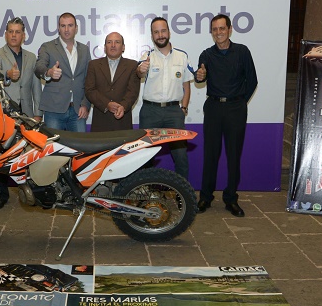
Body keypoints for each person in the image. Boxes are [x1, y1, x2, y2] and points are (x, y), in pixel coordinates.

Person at [194, 14, 258, 217]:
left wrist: (239, 102)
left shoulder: (242, 51)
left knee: (233, 155)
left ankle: (231, 198)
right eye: (214, 29)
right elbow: (200, 76)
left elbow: (252, 80)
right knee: (210, 155)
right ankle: (205, 197)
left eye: (222, 28)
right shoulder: (206, 54)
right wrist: (199, 76)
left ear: (230, 30)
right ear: (211, 32)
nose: (218, 32)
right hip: (213, 108)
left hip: (235, 109)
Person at [0, 16, 42, 208]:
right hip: (5, 113)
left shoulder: (31, 57)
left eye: (17, 32)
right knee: (2, 154)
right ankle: (1, 195)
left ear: (23, 35)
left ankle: (29, 191)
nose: (14, 35)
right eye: (10, 31)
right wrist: (8, 75)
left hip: (26, 115)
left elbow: (36, 87)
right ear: (5, 34)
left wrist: (38, 113)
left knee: (26, 154)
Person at [136, 17, 193, 178]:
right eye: (156, 32)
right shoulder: (147, 56)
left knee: (180, 156)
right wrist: (141, 70)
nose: (160, 35)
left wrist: (183, 108)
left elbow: (186, 86)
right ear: (152, 35)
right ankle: (146, 190)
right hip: (150, 112)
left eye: (163, 31)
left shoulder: (182, 56)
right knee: (145, 156)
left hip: (174, 112)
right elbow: (139, 73)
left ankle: (182, 190)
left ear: (169, 32)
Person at [34, 12, 91, 132]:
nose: (66, 29)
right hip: (53, 110)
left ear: (76, 28)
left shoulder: (84, 50)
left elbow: (89, 80)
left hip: (78, 111)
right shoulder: (48, 47)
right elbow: (39, 67)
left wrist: (85, 104)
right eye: (63, 26)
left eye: (70, 25)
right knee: (53, 144)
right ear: (58, 28)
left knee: (80, 144)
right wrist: (49, 72)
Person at [85, 32, 140, 132]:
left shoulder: (132, 65)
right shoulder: (93, 65)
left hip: (123, 122)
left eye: (117, 42)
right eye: (109, 42)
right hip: (100, 122)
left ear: (123, 47)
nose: (113, 45)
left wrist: (122, 107)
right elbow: (90, 90)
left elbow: (133, 91)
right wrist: (107, 104)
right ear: (105, 47)